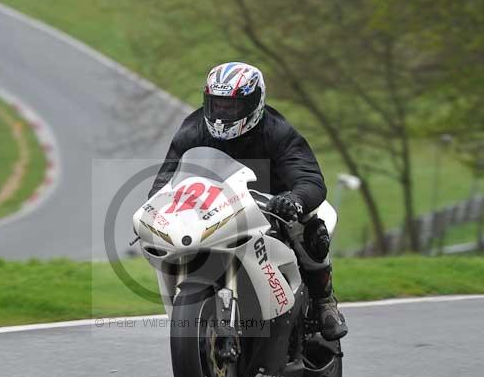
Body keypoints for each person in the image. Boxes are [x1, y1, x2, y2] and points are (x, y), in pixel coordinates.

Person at [149, 62, 348, 341]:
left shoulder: (277, 131)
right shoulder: (192, 129)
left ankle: (324, 302)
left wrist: (294, 199)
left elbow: (310, 178)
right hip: (215, 210)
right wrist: (158, 206)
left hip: (272, 209)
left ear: (255, 102)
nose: (222, 114)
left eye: (232, 107)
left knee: (313, 226)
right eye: (216, 105)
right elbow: (165, 179)